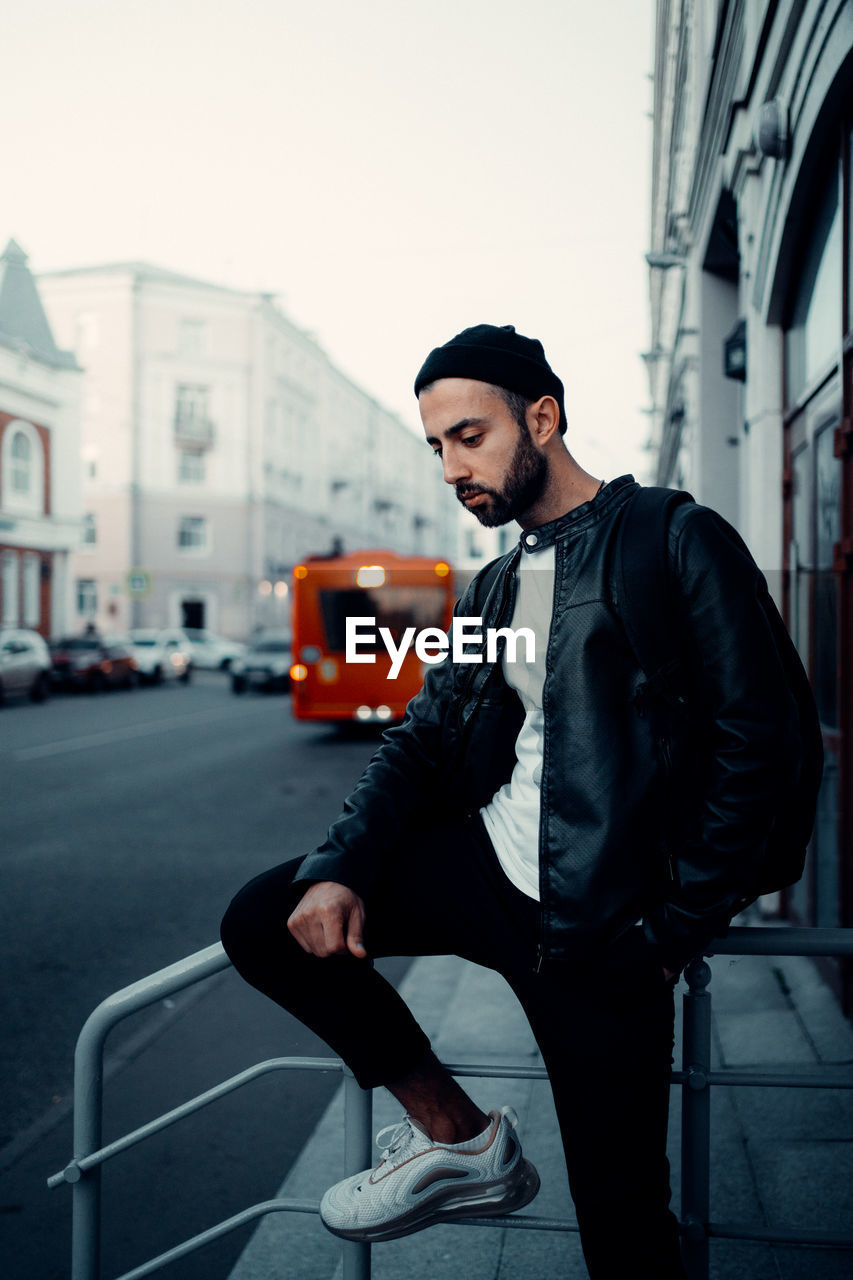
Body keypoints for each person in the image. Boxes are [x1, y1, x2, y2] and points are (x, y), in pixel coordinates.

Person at [221, 324, 803, 1278]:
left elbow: (759, 744)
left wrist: (671, 930)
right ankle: (458, 1137)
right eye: (437, 446)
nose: (452, 465)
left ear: (541, 417)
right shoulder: (492, 589)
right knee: (263, 921)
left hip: (604, 930)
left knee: (622, 1215)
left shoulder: (671, 537)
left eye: (469, 435)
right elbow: (420, 740)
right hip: (487, 868)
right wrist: (341, 869)